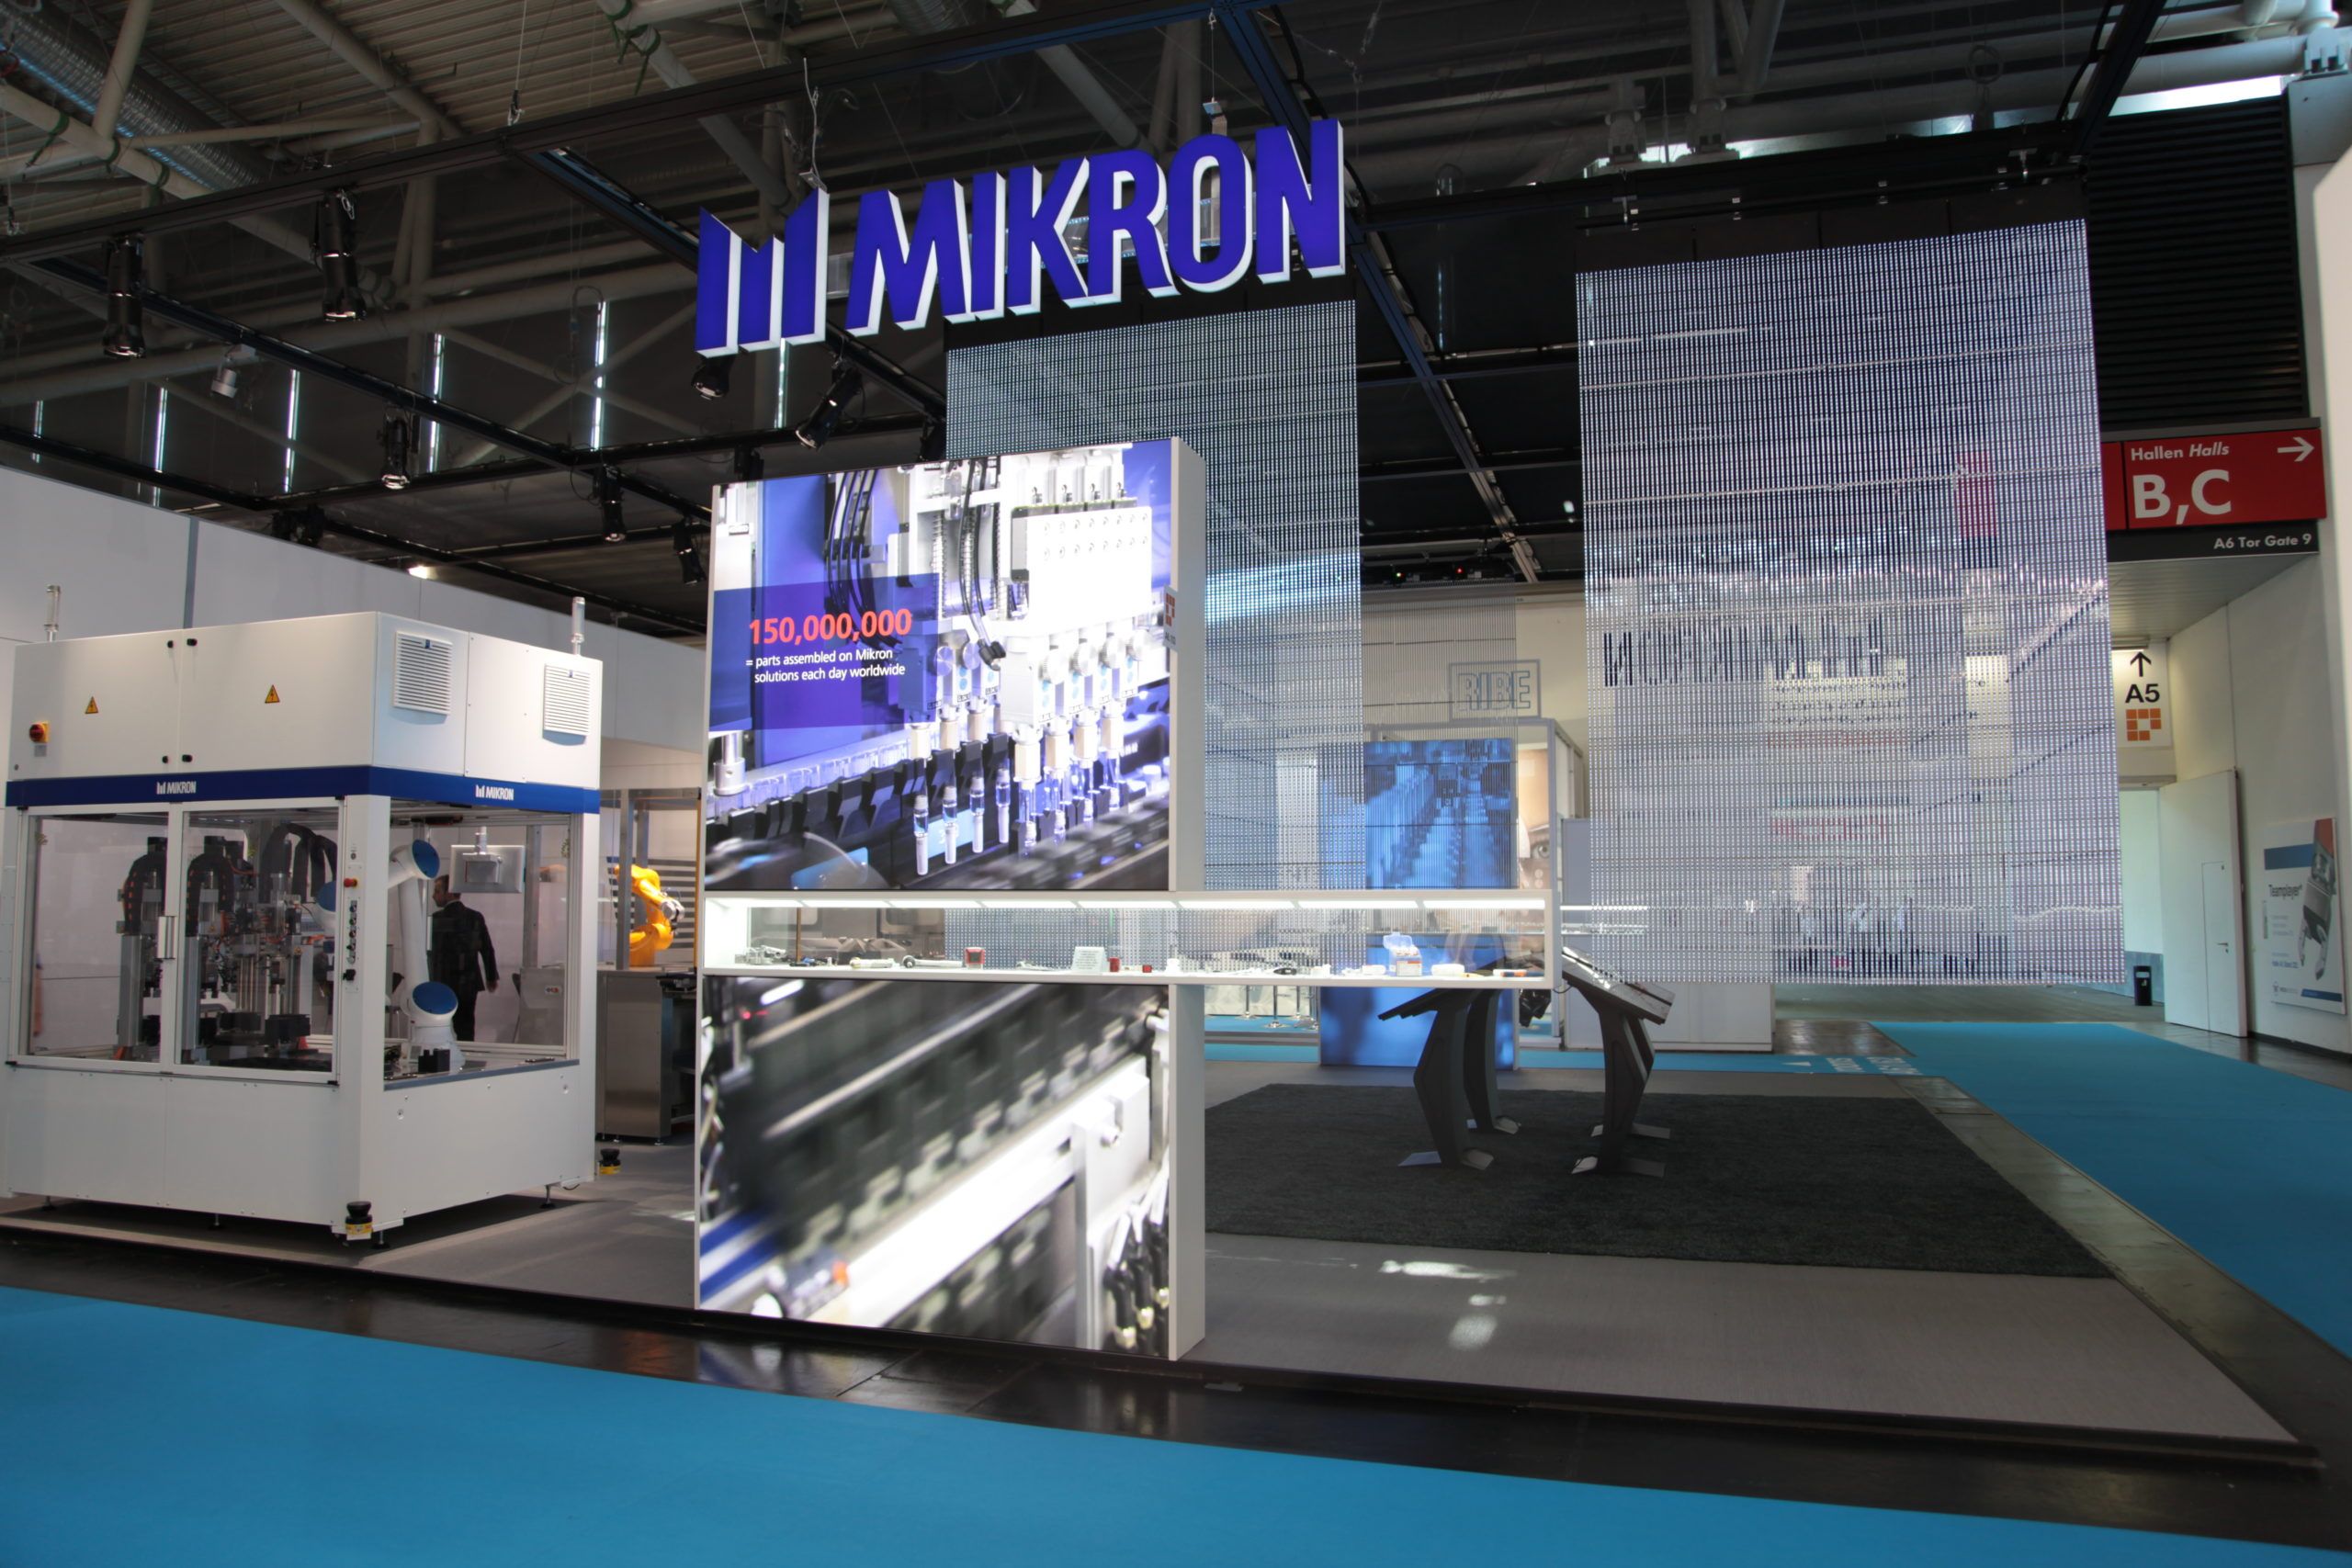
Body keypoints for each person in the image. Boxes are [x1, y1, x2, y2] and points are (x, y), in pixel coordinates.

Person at [428, 874, 498, 1043]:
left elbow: (429, 953)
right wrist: (491, 977)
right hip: (469, 982)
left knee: (438, 1027)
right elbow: (487, 949)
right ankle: (467, 1055)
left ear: (449, 893)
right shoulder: (475, 917)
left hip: (442, 980)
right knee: (466, 1027)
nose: (433, 896)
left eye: (437, 891)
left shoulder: (436, 919)